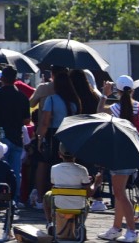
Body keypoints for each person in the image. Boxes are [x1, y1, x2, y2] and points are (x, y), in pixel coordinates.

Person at [99, 78, 139, 242]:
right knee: (119, 193)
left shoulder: (115, 108)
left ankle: (131, 230)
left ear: (118, 90)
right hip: (131, 152)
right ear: (132, 90)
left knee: (120, 193)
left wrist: (104, 95)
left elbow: (99, 113)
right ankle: (117, 228)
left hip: (119, 154)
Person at [36, 65, 81, 213]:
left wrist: (39, 137)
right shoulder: (75, 101)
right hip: (69, 134)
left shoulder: (51, 100)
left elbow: (45, 121)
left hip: (53, 135)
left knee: (50, 165)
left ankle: (45, 197)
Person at [0, 66, 30, 205]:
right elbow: (27, 121)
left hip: (0, 137)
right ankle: (14, 199)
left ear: (2, 79)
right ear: (16, 79)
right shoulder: (22, 97)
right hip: (16, 137)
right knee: (15, 171)